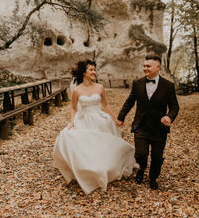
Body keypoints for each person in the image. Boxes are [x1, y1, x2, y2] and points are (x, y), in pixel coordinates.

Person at [53, 60, 138, 194]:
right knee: (73, 138)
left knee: (103, 146)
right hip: (84, 119)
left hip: (100, 120)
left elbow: (106, 105)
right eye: (91, 70)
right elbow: (73, 108)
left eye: (94, 70)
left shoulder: (100, 87)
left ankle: (107, 167)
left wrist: (116, 118)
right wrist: (72, 122)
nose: (94, 72)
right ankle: (88, 170)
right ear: (84, 72)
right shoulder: (76, 90)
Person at [117, 53, 179, 190]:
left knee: (157, 157)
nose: (145, 68)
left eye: (148, 66)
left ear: (158, 67)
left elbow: (174, 106)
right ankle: (141, 169)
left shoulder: (168, 86)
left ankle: (153, 177)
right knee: (141, 154)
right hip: (141, 126)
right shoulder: (137, 83)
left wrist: (169, 117)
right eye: (144, 66)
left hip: (159, 129)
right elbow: (130, 101)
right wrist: (121, 116)